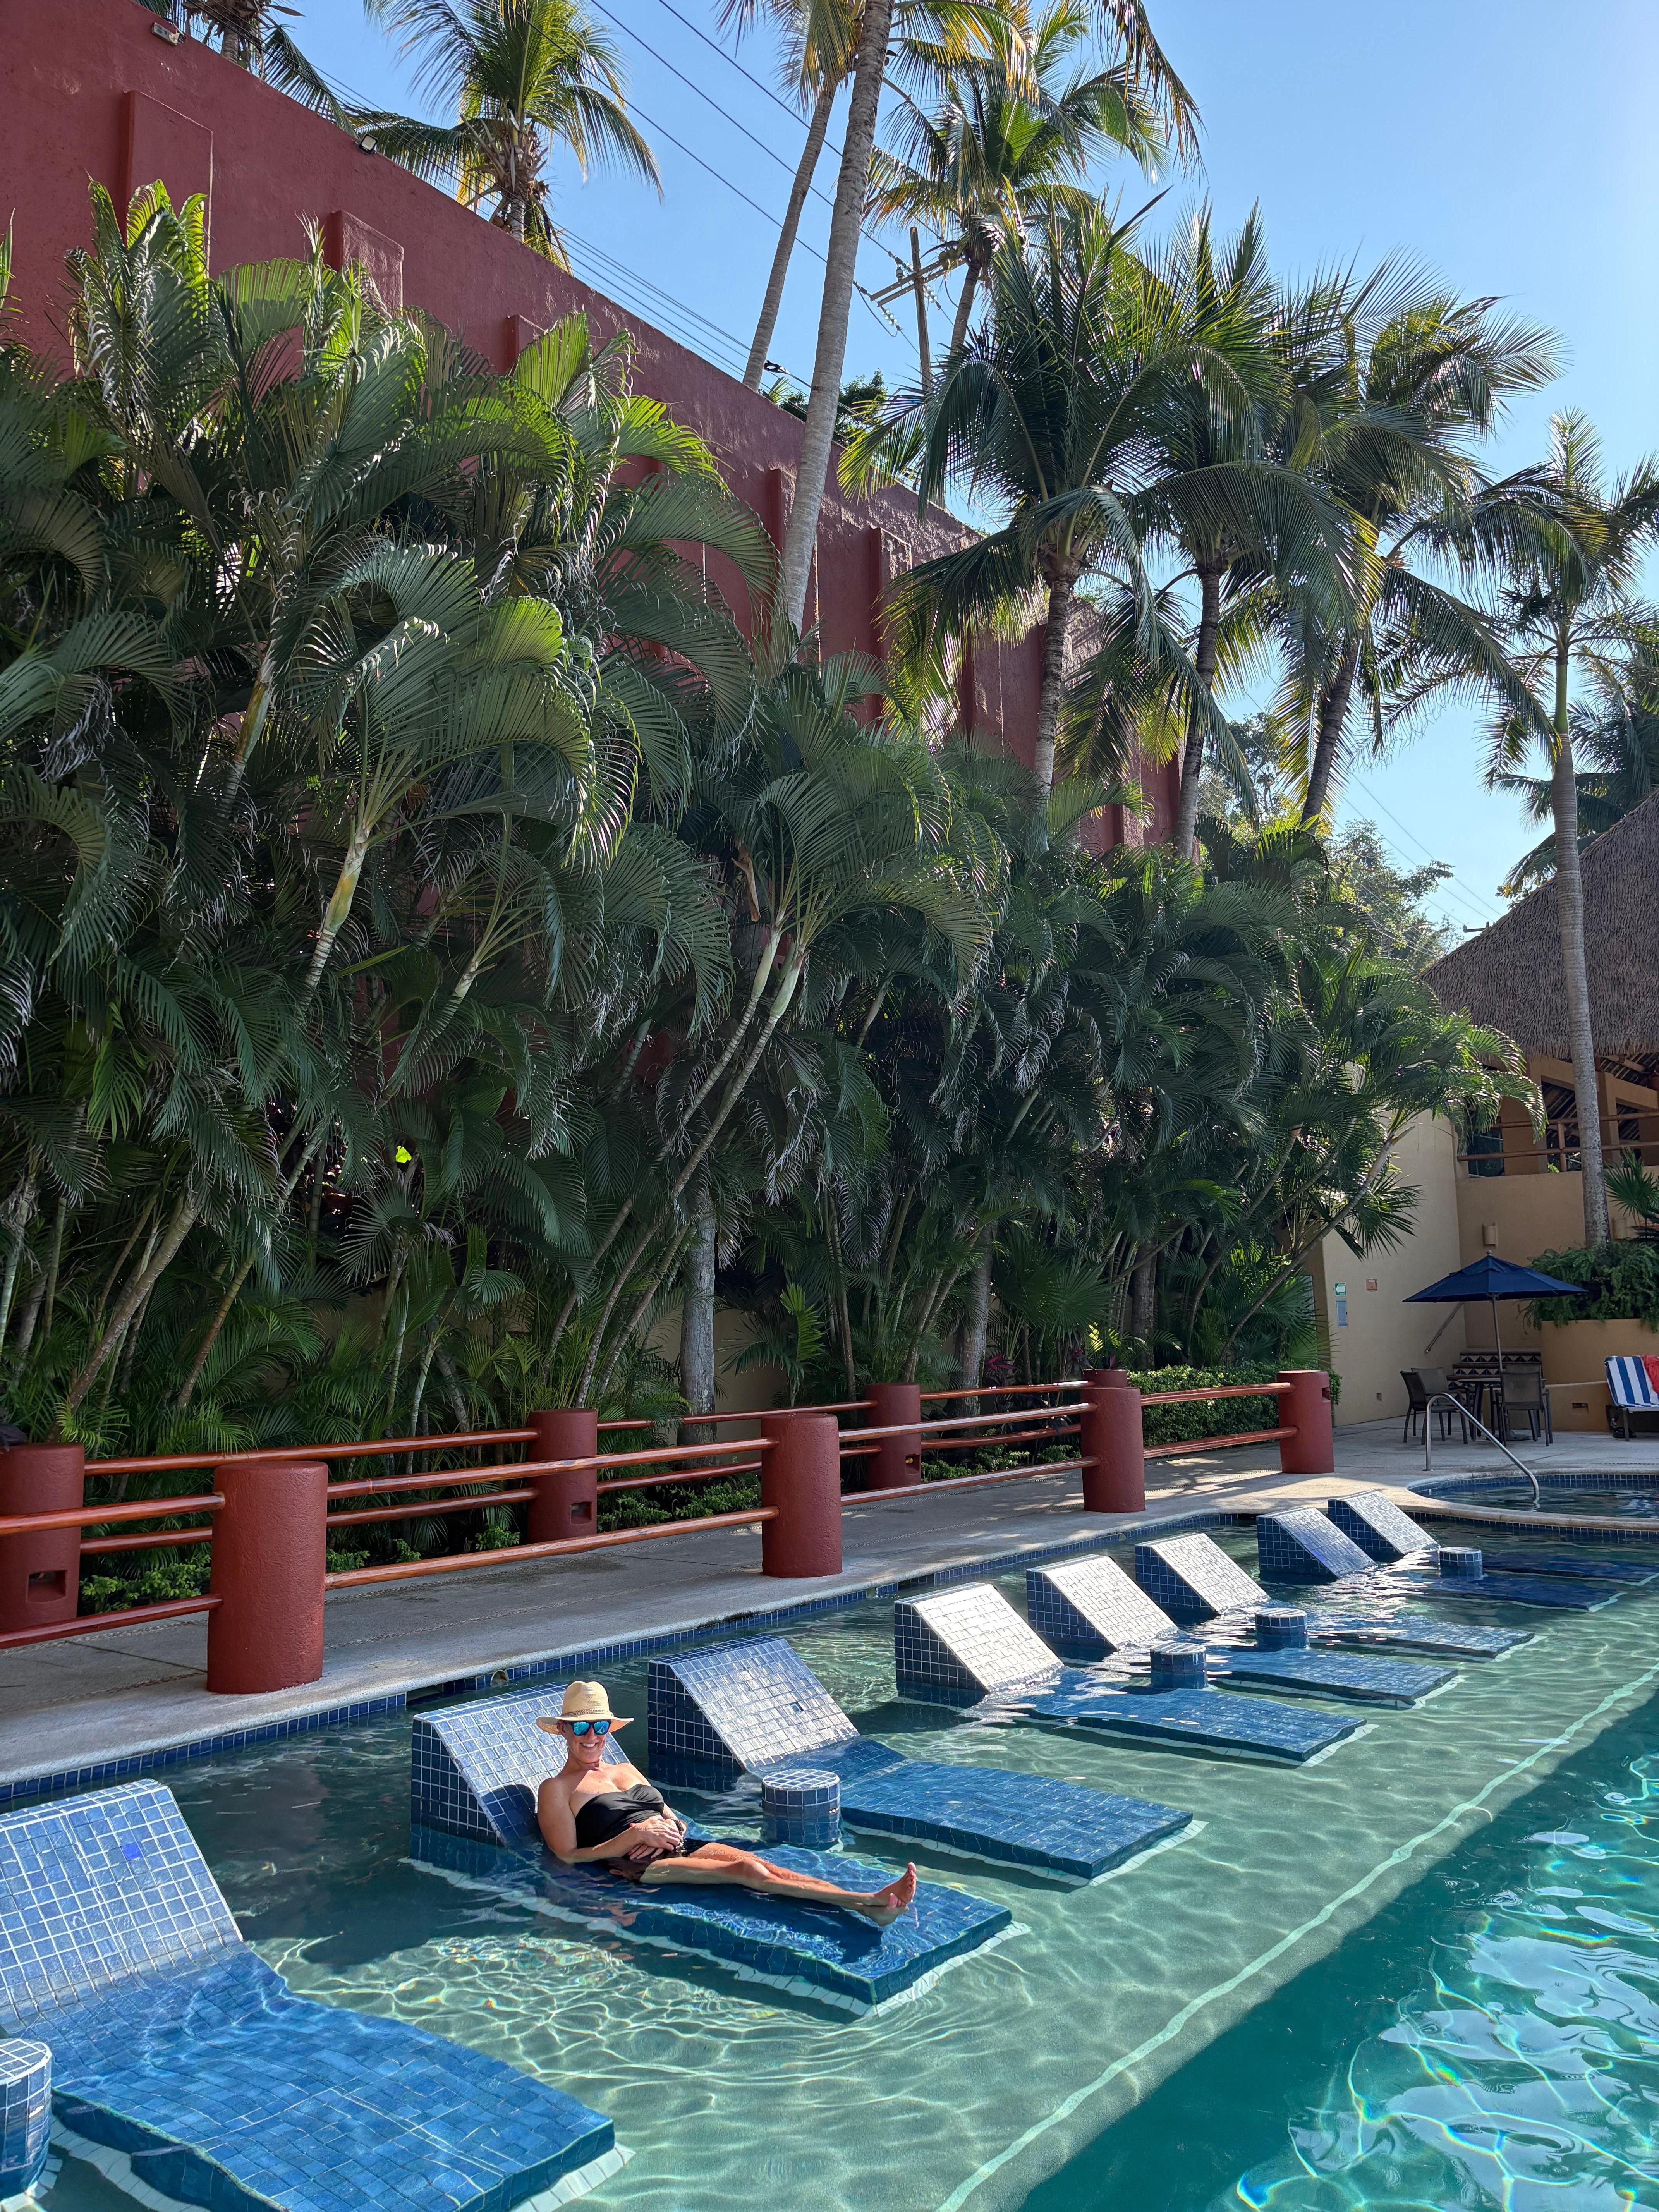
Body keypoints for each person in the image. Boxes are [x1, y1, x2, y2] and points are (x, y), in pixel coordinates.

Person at [534, 1682, 917, 1927]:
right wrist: (633, 1837)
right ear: (564, 1730)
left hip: (677, 1845)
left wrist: (668, 1826)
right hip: (638, 1864)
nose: (592, 1737)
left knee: (767, 1865)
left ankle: (869, 1908)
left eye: (600, 1727)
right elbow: (570, 1856)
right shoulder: (557, 1788)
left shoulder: (626, 1767)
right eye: (582, 1727)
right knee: (748, 1871)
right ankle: (867, 1902)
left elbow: (667, 1814)